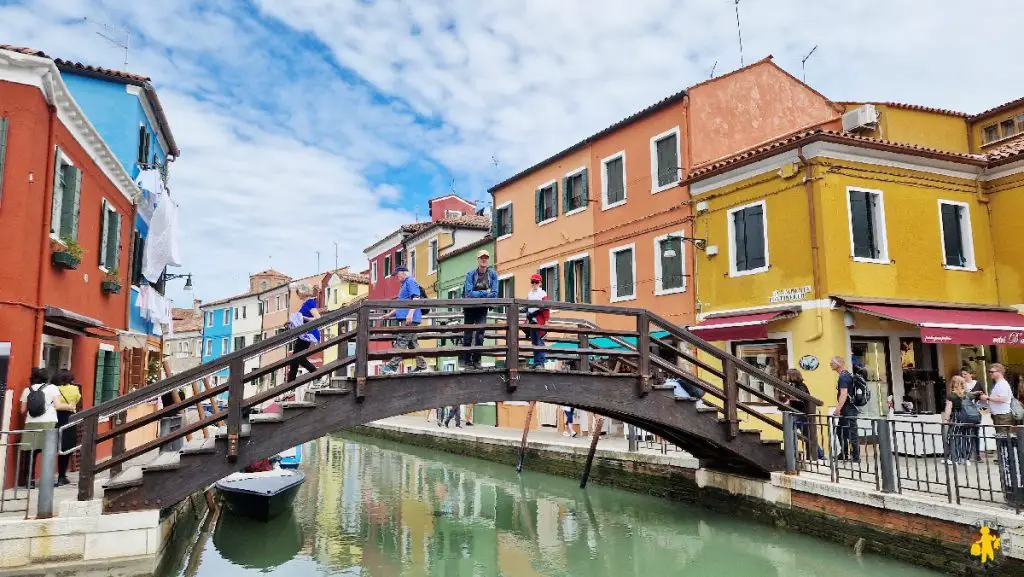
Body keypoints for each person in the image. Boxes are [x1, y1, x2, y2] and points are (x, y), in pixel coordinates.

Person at [18, 368, 60, 488]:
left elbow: (22, 411)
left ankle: (29, 481)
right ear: (47, 378)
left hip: (31, 423)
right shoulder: (52, 388)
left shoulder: (27, 390)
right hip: (48, 422)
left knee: (30, 452)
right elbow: (57, 405)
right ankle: (47, 481)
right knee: (48, 452)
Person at [380, 267, 428, 373]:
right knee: (412, 344)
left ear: (403, 273)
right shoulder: (404, 284)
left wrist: (410, 314)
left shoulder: (410, 281)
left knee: (402, 341)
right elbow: (400, 305)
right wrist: (389, 315)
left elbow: (416, 298)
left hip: (410, 319)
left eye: (398, 275)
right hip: (408, 318)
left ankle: (392, 367)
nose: (397, 277)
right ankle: (422, 366)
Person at [461, 250, 498, 369]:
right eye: (482, 257)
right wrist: (484, 292)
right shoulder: (470, 274)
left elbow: (495, 293)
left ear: (488, 260)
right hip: (470, 308)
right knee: (468, 335)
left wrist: (478, 294)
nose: (484, 259)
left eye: (486, 257)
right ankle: (467, 361)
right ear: (478, 259)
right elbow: (468, 293)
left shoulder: (493, 275)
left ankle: (477, 360)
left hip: (482, 308)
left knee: (480, 335)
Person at [286, 284, 322, 383]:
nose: (298, 295)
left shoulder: (310, 303)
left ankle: (315, 372)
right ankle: (291, 381)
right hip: (303, 333)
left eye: (298, 293)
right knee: (295, 357)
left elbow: (318, 318)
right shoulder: (306, 303)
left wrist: (304, 318)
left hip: (308, 334)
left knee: (298, 357)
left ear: (302, 292)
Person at [52, 369, 81, 486]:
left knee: (52, 447)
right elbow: (78, 399)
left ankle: (50, 475)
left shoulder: (54, 389)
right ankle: (61, 476)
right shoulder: (75, 389)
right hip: (69, 418)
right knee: (66, 448)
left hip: (54, 417)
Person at [830, 356, 860, 462]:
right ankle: (844, 453)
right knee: (841, 430)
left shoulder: (843, 377)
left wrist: (838, 409)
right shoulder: (847, 375)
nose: (830, 364)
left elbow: (844, 394)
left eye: (832, 362)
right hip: (848, 408)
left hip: (848, 409)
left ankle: (856, 457)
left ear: (839, 364)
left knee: (851, 433)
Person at [942, 375, 970, 465]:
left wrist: (946, 419)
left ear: (953, 383)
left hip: (957, 417)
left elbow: (948, 408)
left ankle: (954, 458)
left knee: (953, 437)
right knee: (964, 437)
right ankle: (964, 458)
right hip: (968, 417)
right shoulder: (968, 394)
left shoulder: (951, 395)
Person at [524, 273, 550, 368]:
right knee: (534, 341)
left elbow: (546, 308)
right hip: (531, 319)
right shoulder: (530, 294)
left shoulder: (542, 293)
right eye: (532, 282)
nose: (534, 284)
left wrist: (546, 320)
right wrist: (527, 319)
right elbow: (527, 308)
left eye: (536, 282)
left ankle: (540, 362)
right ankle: (536, 361)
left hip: (539, 319)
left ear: (540, 283)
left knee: (539, 340)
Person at [962, 367, 985, 461]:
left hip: (976, 410)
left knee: (976, 432)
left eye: (965, 374)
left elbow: (983, 397)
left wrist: (984, 411)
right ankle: (966, 453)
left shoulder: (977, 384)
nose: (963, 376)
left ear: (971, 374)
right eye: (962, 374)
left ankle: (977, 454)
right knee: (965, 432)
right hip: (965, 410)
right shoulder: (961, 385)